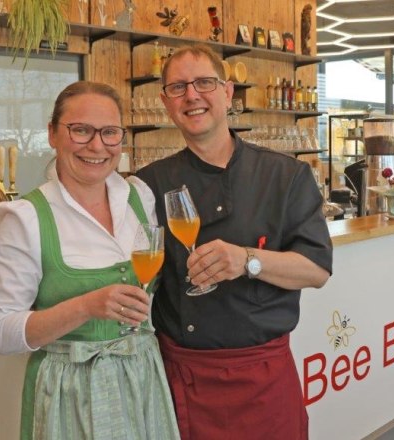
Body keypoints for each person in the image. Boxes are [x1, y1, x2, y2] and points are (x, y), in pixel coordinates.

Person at [135, 44, 333, 440]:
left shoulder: (286, 175)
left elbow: (316, 271)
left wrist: (246, 260)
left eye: (204, 83)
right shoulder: (147, 184)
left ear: (227, 93)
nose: (192, 95)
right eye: (178, 87)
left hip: (264, 376)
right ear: (165, 102)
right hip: (185, 378)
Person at [0, 81, 179, 440]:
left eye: (110, 133)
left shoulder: (138, 196)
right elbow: (3, 334)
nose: (97, 146)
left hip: (142, 377)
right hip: (70, 391)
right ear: (52, 134)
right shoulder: (25, 217)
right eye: (80, 130)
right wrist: (88, 306)